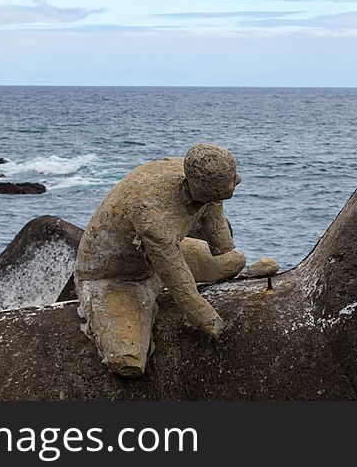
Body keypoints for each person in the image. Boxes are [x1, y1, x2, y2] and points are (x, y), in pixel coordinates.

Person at [74, 143, 246, 377]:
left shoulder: (201, 184)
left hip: (157, 260)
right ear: (202, 186)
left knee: (235, 261)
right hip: (115, 278)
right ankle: (118, 304)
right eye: (230, 179)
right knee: (129, 360)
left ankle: (153, 284)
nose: (238, 179)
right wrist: (216, 326)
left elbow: (221, 243)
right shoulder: (153, 215)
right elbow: (184, 291)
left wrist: (230, 260)